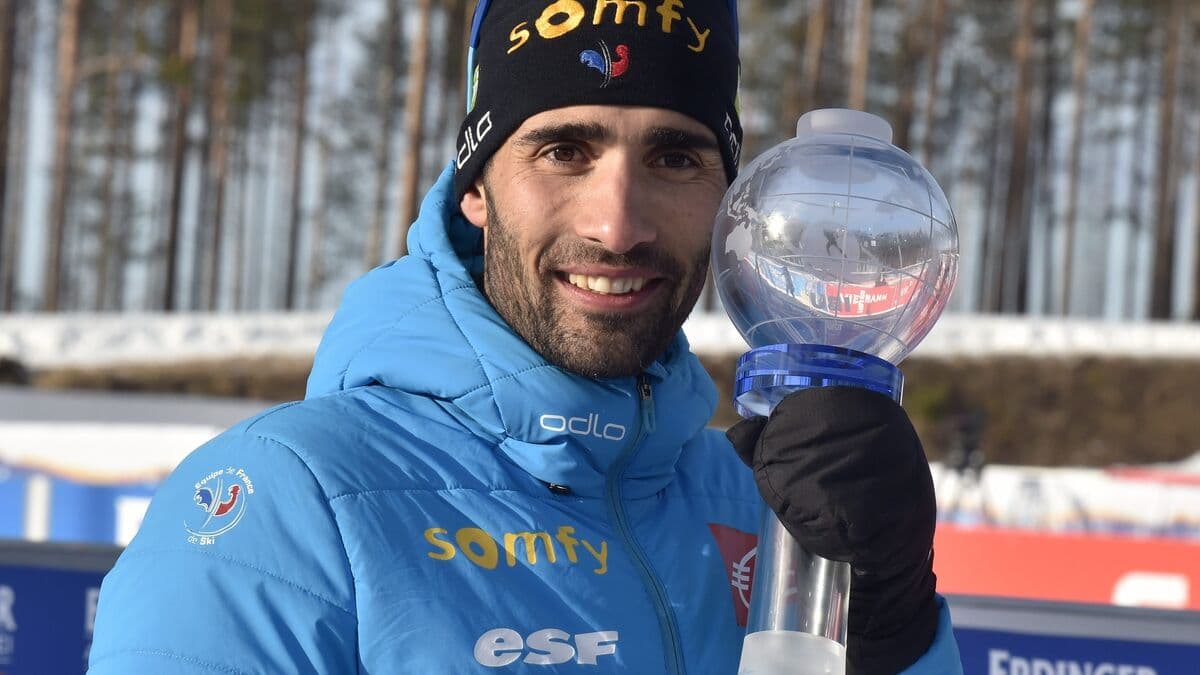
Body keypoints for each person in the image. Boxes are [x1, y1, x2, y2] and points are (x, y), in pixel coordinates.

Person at [88, 2, 961, 673]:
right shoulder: (287, 506)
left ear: (727, 206)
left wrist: (891, 626)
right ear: (476, 188)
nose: (617, 225)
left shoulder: (763, 515)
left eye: (674, 158)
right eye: (564, 151)